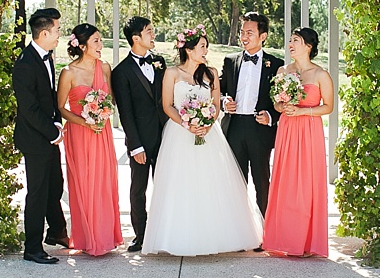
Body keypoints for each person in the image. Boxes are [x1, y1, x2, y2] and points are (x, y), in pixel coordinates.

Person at [143, 24, 262, 256]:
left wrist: (207, 123)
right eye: (202, 47)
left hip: (209, 134)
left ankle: (217, 236)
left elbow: (216, 106)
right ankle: (178, 237)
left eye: (206, 47)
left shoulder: (211, 74)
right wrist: (187, 124)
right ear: (189, 50)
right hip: (179, 134)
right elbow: (167, 105)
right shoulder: (172, 73)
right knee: (181, 184)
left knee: (211, 183)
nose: (206, 51)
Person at [263, 27, 334, 257]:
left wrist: (304, 112)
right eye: (290, 40)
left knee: (307, 183)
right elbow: (275, 103)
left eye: (296, 40)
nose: (290, 44)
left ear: (309, 46)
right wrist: (282, 107)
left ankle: (306, 241)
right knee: (285, 182)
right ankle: (284, 238)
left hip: (309, 130)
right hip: (287, 129)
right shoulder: (284, 71)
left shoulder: (321, 74)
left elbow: (329, 107)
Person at [57, 23, 123, 256]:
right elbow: (60, 108)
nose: (100, 45)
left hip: (102, 133)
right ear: (82, 45)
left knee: (104, 182)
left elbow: (112, 99)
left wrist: (103, 111)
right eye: (96, 41)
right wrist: (85, 120)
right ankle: (87, 238)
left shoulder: (104, 67)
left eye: (100, 40)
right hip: (79, 133)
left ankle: (106, 237)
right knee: (84, 184)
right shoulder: (68, 73)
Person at [12, 7, 68, 265]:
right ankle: (32, 248)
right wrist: (52, 131)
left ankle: (56, 231)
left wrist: (57, 121)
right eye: (57, 30)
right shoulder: (25, 64)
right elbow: (30, 108)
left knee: (55, 186)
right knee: (37, 193)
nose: (60, 35)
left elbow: (48, 98)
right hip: (35, 139)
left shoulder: (47, 57)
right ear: (44, 33)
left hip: (48, 134)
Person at [110, 16, 168, 253]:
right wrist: (135, 146)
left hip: (166, 137)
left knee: (166, 186)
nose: (153, 35)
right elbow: (125, 112)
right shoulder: (121, 72)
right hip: (140, 141)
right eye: (149, 31)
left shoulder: (161, 63)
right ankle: (141, 236)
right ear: (136, 38)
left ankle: (165, 231)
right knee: (138, 189)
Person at [220, 12, 284, 215]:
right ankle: (238, 231)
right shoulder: (230, 61)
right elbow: (219, 89)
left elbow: (284, 98)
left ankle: (266, 229)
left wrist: (271, 116)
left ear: (263, 36)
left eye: (249, 32)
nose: (244, 37)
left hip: (260, 130)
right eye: (242, 32)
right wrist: (224, 102)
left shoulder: (276, 65)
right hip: (235, 127)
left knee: (262, 182)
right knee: (235, 181)